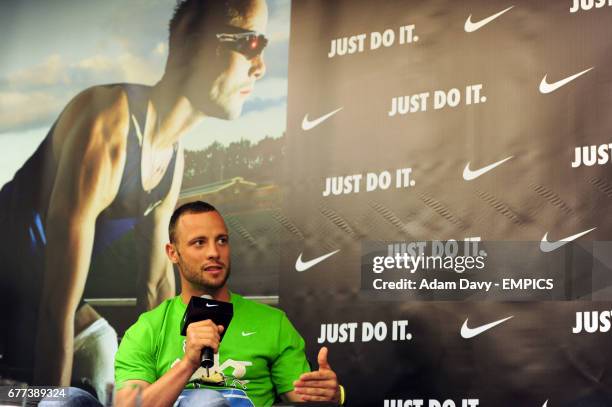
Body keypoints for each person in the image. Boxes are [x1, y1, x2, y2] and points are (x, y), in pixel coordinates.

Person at [0, 0, 270, 401]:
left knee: (103, 351)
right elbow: (55, 305)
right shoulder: (106, 122)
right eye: (250, 42)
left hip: (37, 301)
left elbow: (156, 288)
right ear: (190, 42)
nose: (260, 65)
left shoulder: (173, 159)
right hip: (20, 298)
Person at [113, 201, 343, 407]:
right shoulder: (148, 329)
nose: (214, 252)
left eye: (221, 240)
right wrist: (188, 364)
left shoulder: (272, 323)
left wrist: (329, 395)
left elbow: (303, 397)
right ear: (173, 253)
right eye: (199, 243)